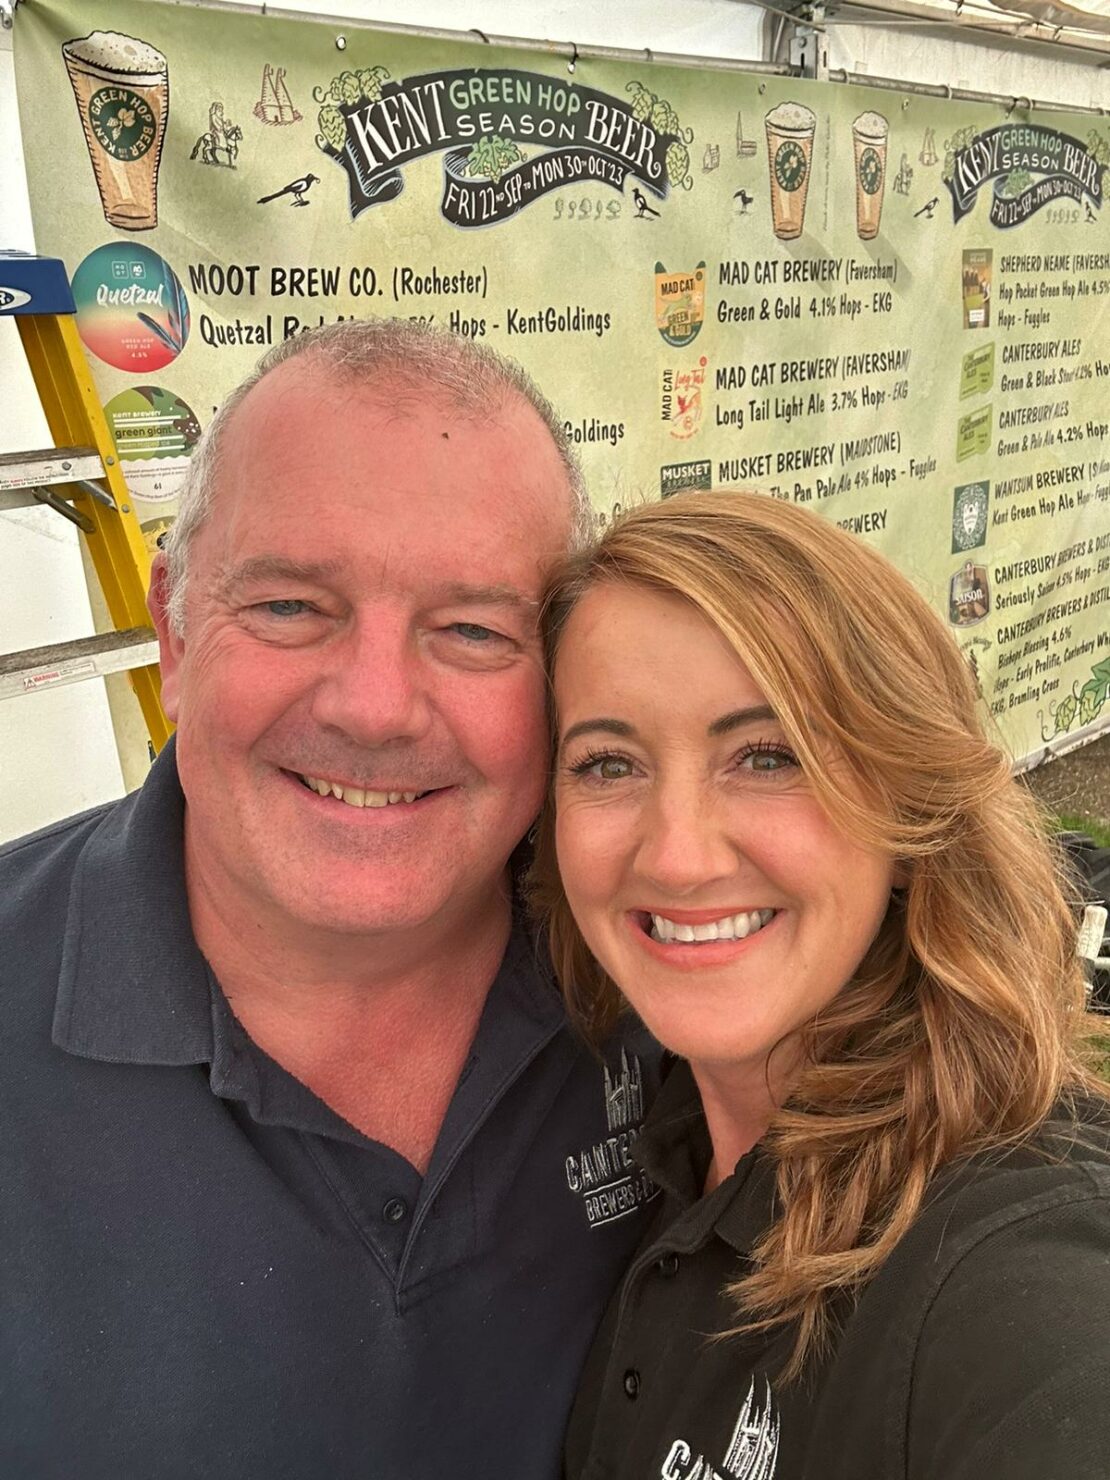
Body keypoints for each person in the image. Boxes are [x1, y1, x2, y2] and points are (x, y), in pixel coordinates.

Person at [0, 321, 663, 1478]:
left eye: (471, 629)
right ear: (173, 624)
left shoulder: (675, 982)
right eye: (293, 607)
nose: (374, 706)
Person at [530, 489, 1110, 1480]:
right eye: (608, 762)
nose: (675, 856)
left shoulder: (1005, 1260)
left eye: (768, 755)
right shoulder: (647, 1128)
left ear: (906, 807)